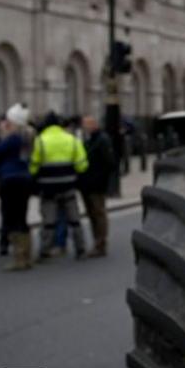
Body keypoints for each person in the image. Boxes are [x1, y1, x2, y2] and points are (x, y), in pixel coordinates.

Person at [30, 111, 89, 260]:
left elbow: (33, 166)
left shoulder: (40, 141)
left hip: (48, 188)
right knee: (74, 220)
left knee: (49, 221)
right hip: (68, 185)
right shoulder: (72, 139)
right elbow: (82, 165)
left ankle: (45, 250)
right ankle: (80, 249)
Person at [0, 104, 35, 271]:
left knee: (11, 218)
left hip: (10, 179)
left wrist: (4, 134)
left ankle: (19, 258)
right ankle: (26, 255)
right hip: (24, 178)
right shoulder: (28, 136)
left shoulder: (13, 139)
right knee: (21, 217)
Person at [79, 115, 115, 258]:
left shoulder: (102, 140)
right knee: (92, 214)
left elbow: (109, 162)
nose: (85, 127)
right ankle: (97, 241)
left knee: (99, 213)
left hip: (96, 183)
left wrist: (102, 179)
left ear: (95, 124)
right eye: (84, 124)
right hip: (86, 183)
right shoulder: (88, 140)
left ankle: (101, 243)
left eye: (88, 124)